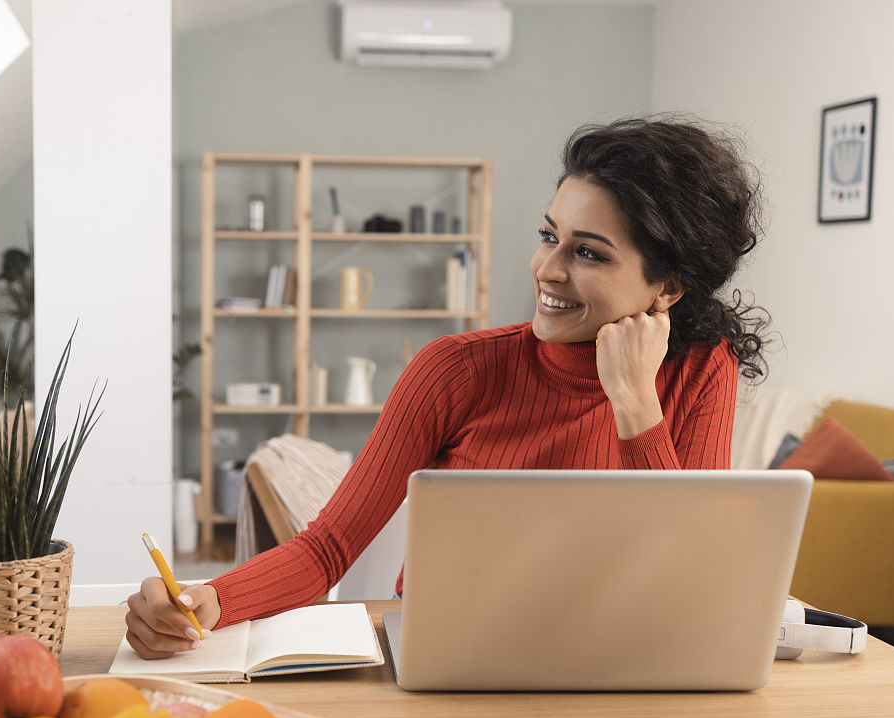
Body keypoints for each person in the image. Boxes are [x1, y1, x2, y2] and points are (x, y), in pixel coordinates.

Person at [125, 116, 771, 659]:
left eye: (589, 253)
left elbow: (689, 585)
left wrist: (635, 404)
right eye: (549, 236)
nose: (546, 269)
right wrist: (213, 598)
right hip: (457, 665)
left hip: (619, 668)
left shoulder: (700, 366)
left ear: (668, 287)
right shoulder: (456, 370)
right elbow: (328, 548)